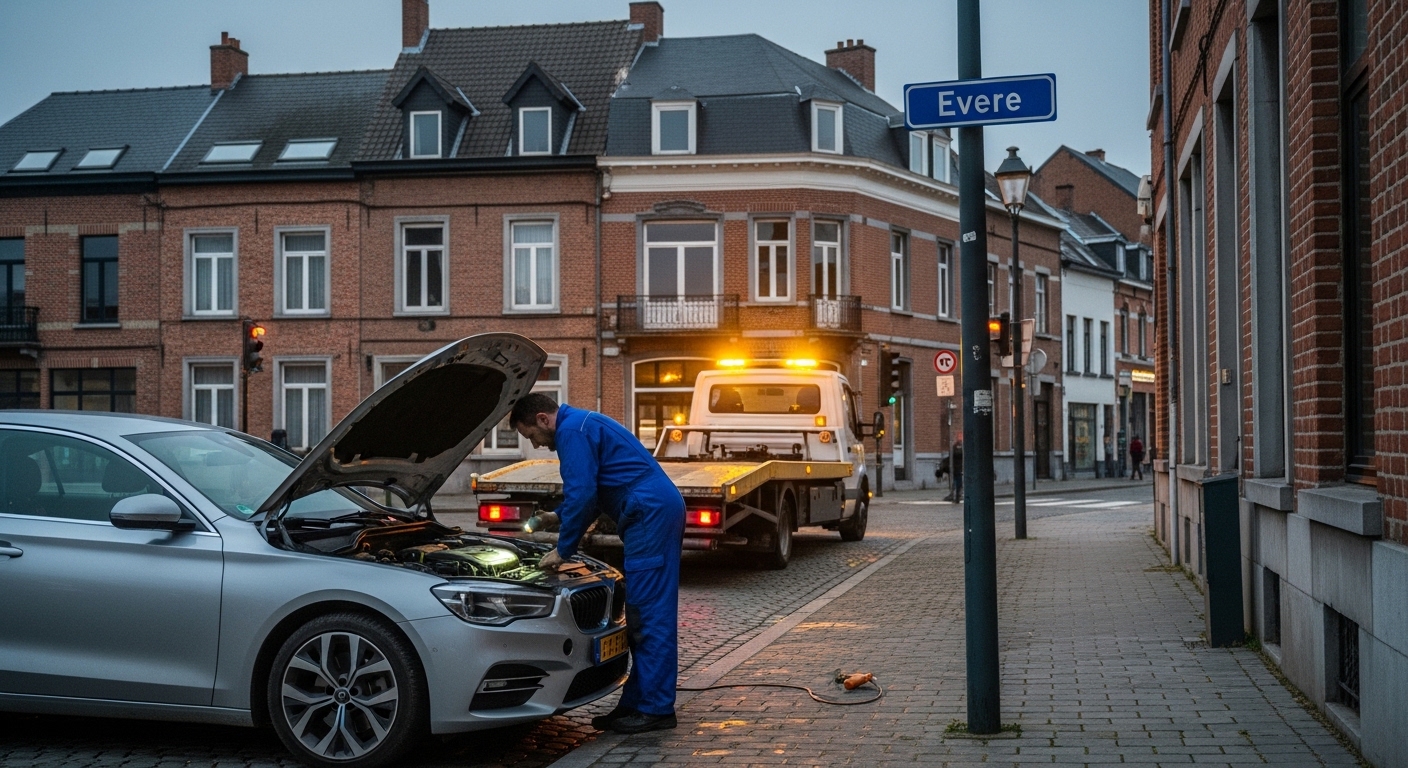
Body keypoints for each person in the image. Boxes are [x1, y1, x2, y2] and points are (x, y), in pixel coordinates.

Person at [510, 393, 686, 734]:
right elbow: (592, 491)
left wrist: (563, 550)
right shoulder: (581, 424)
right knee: (639, 615)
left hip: (648, 514)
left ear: (543, 419)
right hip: (650, 510)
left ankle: (656, 710)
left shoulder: (572, 432)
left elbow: (583, 493)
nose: (537, 444)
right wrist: (554, 516)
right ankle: (636, 704)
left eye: (532, 436)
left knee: (650, 616)